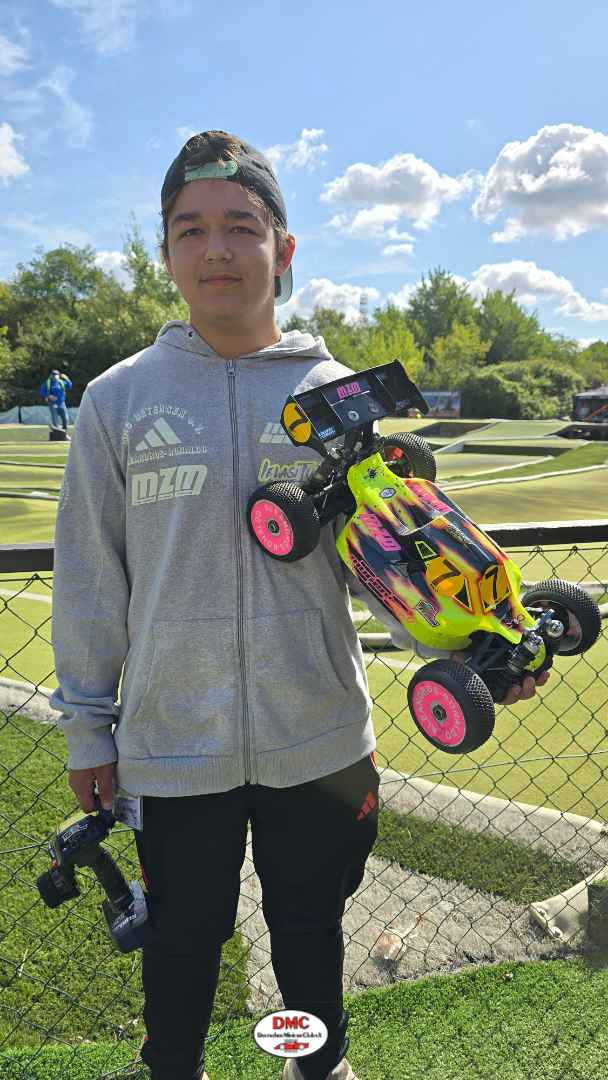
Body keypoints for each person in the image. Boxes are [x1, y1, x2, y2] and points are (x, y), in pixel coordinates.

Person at [49, 130, 549, 1080]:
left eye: (242, 227)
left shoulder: (337, 397)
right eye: (191, 230)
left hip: (319, 739)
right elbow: (89, 578)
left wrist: (474, 651)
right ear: (166, 254)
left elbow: (392, 557)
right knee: (182, 943)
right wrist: (87, 727)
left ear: (283, 249)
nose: (217, 250)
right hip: (172, 745)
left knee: (309, 934)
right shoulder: (117, 401)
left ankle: (312, 1066)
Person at [40, 368, 72, 436]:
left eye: (56, 375)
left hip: (61, 403)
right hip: (52, 403)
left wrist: (67, 378)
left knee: (65, 418)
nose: (55, 376)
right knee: (55, 418)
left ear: (59, 375)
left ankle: (64, 432)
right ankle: (57, 433)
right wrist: (49, 396)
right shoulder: (47, 383)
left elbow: (69, 386)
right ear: (51, 376)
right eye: (54, 375)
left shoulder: (61, 382)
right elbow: (42, 392)